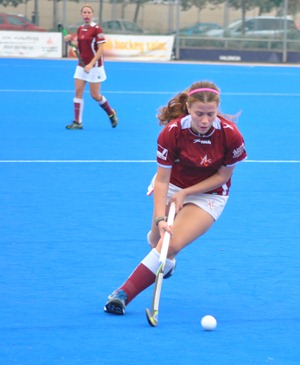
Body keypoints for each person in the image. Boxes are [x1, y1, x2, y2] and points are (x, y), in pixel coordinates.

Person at [104, 81, 247, 315]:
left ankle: (123, 294)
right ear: (189, 108)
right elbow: (162, 180)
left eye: (210, 114)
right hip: (171, 184)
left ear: (217, 110)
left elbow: (223, 176)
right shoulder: (172, 132)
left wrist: (186, 193)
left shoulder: (231, 135)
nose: (204, 120)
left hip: (208, 193)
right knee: (156, 241)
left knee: (169, 246)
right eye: (199, 114)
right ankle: (166, 261)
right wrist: (161, 218)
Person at [64, 4, 118, 130]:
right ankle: (78, 122)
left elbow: (100, 50)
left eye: (89, 12)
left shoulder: (97, 29)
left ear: (92, 14)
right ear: (81, 14)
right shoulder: (80, 29)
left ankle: (111, 113)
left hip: (95, 66)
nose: (86, 15)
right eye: (84, 12)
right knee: (78, 91)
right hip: (81, 64)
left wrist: (91, 64)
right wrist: (69, 42)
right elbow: (79, 47)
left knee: (95, 95)